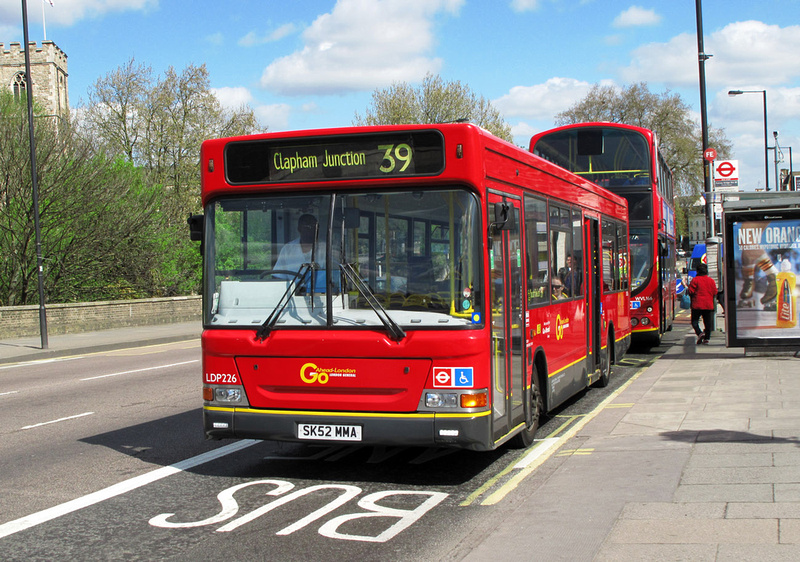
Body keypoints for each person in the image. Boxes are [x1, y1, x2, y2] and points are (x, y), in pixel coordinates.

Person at [273, 214, 323, 279]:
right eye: (306, 227)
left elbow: (333, 279)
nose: (310, 230)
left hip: (319, 289)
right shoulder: (287, 249)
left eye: (313, 227)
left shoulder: (326, 250)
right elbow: (278, 276)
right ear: (299, 228)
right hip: (292, 288)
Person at [687, 263, 718, 344]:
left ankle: (700, 333)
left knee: (694, 321)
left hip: (697, 304)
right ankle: (707, 338)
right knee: (707, 323)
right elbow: (715, 292)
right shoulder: (711, 280)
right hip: (708, 305)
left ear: (697, 271)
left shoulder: (695, 280)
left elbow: (691, 291)